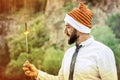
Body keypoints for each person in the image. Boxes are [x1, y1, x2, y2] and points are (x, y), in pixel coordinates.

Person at [23, 3, 118, 80]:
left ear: (79, 28)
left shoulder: (103, 52)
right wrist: (37, 73)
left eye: (68, 27)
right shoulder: (69, 53)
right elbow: (61, 79)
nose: (65, 32)